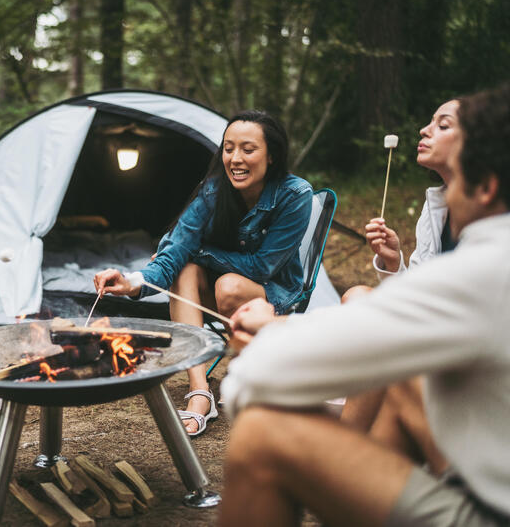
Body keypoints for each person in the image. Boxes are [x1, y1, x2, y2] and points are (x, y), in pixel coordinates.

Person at [219, 82, 510, 526]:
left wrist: (269, 334)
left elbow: (254, 382)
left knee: (259, 435)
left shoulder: (488, 267)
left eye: (460, 160)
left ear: (486, 186)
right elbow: (413, 314)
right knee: (406, 384)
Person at [95, 110, 312, 436]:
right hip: (223, 290)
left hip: (274, 293)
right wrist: (131, 282)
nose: (235, 159)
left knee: (224, 283)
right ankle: (200, 392)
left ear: (273, 155)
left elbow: (263, 266)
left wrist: (197, 252)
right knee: (185, 270)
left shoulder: (295, 195)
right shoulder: (213, 191)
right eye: (228, 148)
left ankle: (251, 372)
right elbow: (175, 250)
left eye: (248, 149)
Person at [340, 98, 463, 430]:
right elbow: (417, 296)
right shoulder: (436, 207)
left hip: (468, 349)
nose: (423, 130)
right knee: (357, 298)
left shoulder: (495, 212)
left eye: (443, 124)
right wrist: (393, 263)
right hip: (432, 332)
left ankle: (345, 447)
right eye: (429, 121)